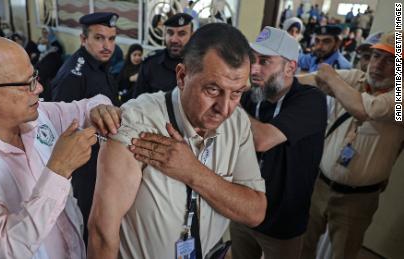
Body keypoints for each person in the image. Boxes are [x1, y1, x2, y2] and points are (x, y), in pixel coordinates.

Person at [87, 23, 267, 259]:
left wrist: (193, 171)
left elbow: (255, 211)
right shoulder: (138, 122)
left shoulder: (238, 122)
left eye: (237, 93)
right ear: (182, 76)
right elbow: (102, 233)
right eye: (213, 90)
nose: (224, 109)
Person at [0, 34, 120, 258]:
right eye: (27, 83)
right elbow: (10, 245)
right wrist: (59, 169)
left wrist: (100, 110)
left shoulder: (39, 117)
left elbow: (91, 105)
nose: (38, 88)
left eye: (34, 76)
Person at [297, 31, 404, 259]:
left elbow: (365, 110)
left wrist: (330, 77)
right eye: (376, 56)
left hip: (357, 199)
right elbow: (307, 81)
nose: (378, 65)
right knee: (302, 245)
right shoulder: (356, 79)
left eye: (390, 60)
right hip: (320, 185)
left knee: (343, 254)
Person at [230, 27, 327, 259]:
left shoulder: (311, 100)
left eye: (264, 61)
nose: (254, 69)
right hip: (243, 209)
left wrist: (231, 100)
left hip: (282, 222)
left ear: (290, 67)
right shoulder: (252, 97)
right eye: (252, 60)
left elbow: (261, 140)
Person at [50, 12, 120, 244]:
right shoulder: (74, 74)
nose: (107, 45)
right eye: (99, 38)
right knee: (92, 218)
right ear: (83, 39)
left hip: (103, 158)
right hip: (87, 165)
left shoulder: (100, 65)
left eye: (111, 39)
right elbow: (62, 128)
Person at [133, 13, 193, 98]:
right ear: (165, 34)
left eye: (181, 34)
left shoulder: (199, 66)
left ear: (192, 35)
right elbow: (136, 104)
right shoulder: (151, 64)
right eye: (170, 33)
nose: (174, 40)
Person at [35, 26, 64, 101]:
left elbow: (46, 70)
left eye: (46, 32)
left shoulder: (54, 48)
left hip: (49, 75)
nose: (44, 34)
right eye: (43, 32)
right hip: (41, 72)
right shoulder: (42, 48)